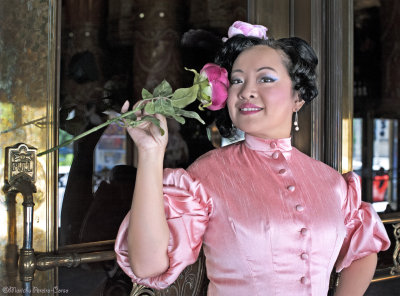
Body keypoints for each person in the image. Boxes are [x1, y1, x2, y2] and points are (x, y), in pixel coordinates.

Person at [114, 21, 390, 295]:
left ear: (298, 97)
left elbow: (364, 250)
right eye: (237, 80)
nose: (246, 90)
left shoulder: (331, 182)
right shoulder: (207, 174)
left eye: (265, 78)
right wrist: (150, 154)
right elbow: (147, 265)